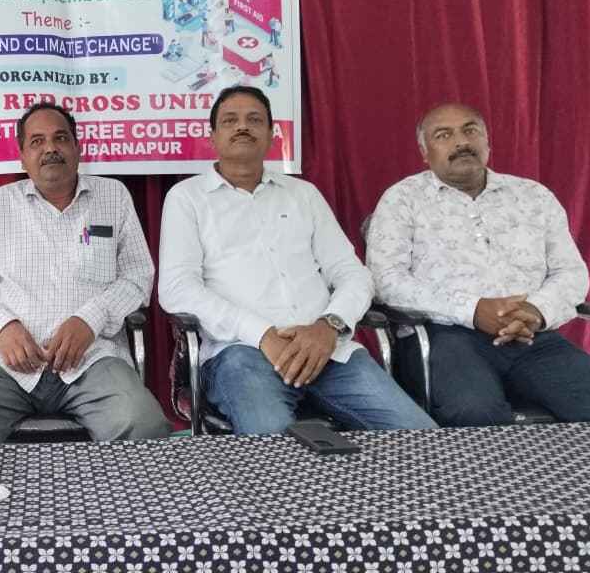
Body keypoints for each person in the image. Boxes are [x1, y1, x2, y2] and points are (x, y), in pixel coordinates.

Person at [158, 85, 435, 435]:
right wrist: (261, 334)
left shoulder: (303, 194)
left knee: (420, 436)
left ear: (272, 134)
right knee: (276, 449)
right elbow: (177, 289)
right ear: (212, 136)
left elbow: (352, 273)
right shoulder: (187, 198)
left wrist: (329, 326)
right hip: (241, 354)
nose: (242, 126)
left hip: (328, 351)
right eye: (230, 120)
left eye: (254, 120)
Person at [366, 102, 590, 427]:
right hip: (443, 338)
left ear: (488, 142)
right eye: (444, 135)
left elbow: (570, 272)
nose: (461, 142)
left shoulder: (533, 196)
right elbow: (386, 280)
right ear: (425, 153)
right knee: (476, 414)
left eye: (470, 130)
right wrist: (473, 310)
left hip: (531, 336)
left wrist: (535, 310)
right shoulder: (402, 199)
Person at [0, 103, 169, 445]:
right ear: (22, 157)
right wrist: (2, 327)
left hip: (93, 360)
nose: (50, 148)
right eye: (37, 141)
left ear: (78, 147)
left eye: (61, 138)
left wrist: (90, 320)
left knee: (142, 423)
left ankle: (120, 485)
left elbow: (137, 276)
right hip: (5, 364)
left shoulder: (113, 196)